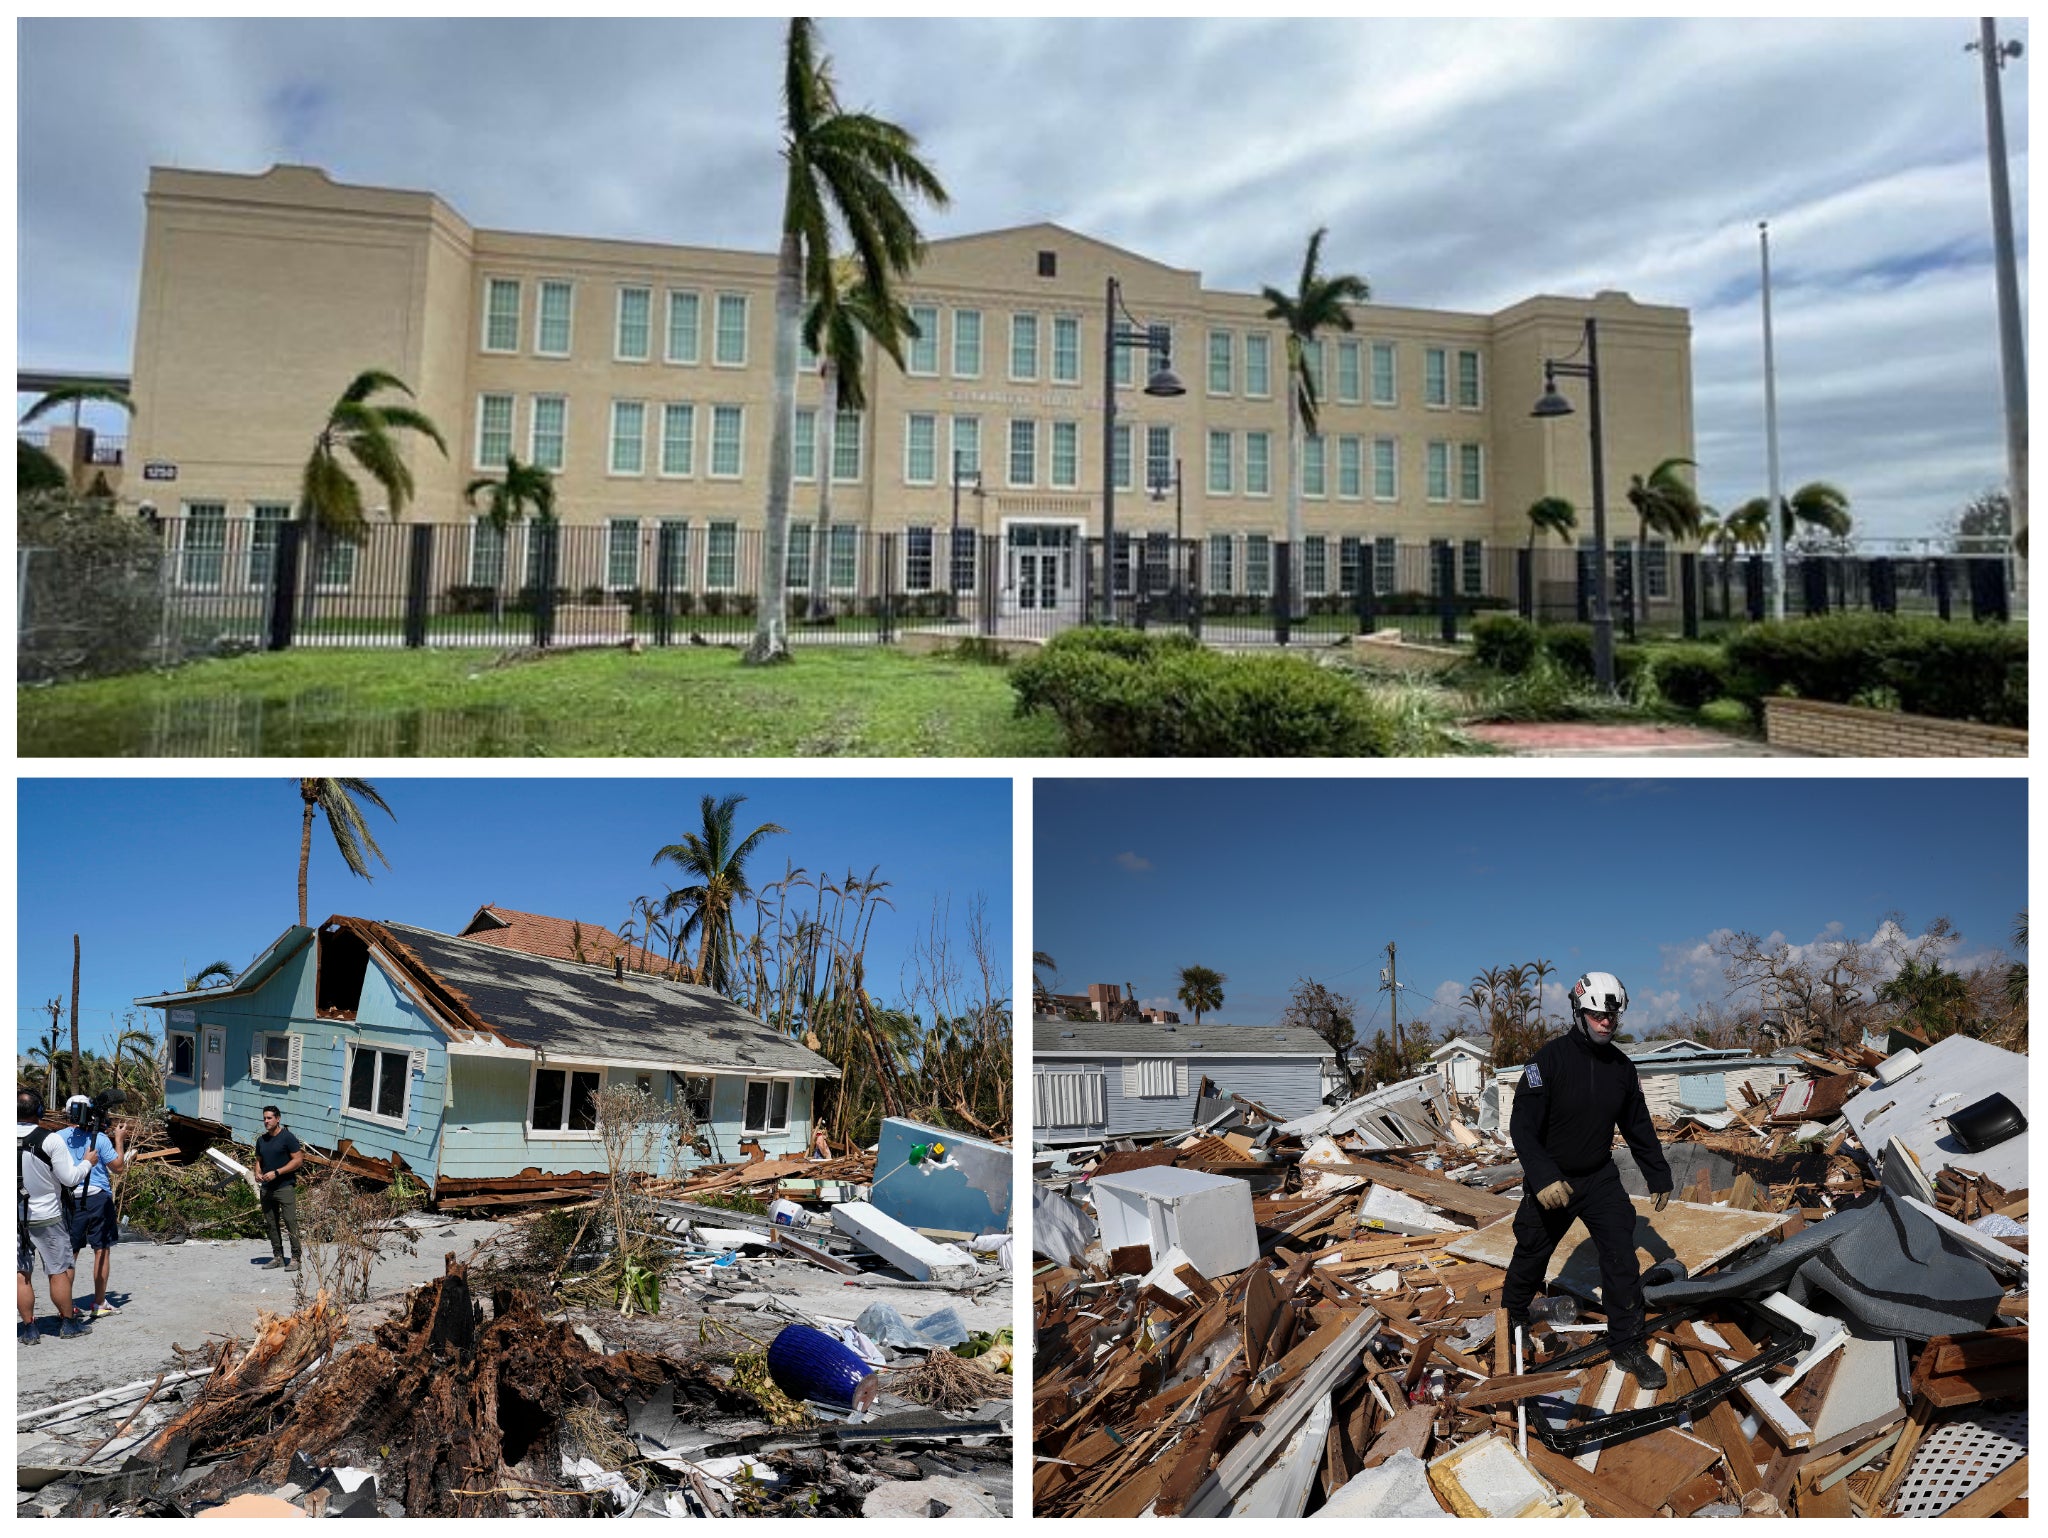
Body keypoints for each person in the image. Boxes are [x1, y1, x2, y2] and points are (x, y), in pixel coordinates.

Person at [1502, 971, 1674, 1389]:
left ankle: (1627, 1344)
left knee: (1621, 1257)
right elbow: (1522, 1126)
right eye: (1597, 1015)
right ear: (1579, 1012)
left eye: (1612, 1018)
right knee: (1531, 1253)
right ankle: (1512, 1322)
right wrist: (1542, 1176)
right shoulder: (1549, 1060)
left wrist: (1658, 1174)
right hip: (1554, 1181)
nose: (1606, 1023)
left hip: (1599, 1179)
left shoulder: (1621, 1068)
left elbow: (1638, 1126)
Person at [16, 1089, 93, 1343]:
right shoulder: (50, 1140)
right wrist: (87, 1162)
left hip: (14, 1218)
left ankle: (29, 1329)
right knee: (58, 1271)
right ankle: (68, 1324)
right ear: (39, 1112)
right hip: (47, 1215)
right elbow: (69, 1179)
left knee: (20, 1274)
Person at [61, 1095, 128, 1321]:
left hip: (70, 1199)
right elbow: (118, 1168)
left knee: (71, 1253)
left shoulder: (57, 1138)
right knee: (102, 1250)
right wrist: (119, 1139)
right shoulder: (99, 1138)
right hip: (98, 1198)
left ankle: (66, 1305)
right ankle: (99, 1302)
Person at [254, 1105, 305, 1271]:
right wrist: (257, 1172)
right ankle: (278, 1257)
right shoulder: (262, 1140)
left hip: (284, 1187)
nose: (266, 1121)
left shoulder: (287, 1138)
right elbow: (258, 1160)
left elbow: (298, 1160)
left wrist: (277, 1172)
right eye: (264, 1118)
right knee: (271, 1223)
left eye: (269, 1118)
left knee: (290, 1222)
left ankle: (296, 1258)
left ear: (278, 1118)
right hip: (266, 1188)